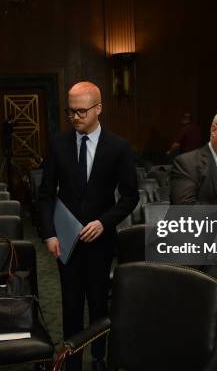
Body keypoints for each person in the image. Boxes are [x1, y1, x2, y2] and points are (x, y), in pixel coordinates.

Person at [38, 81, 139, 371]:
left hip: (101, 239)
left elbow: (130, 196)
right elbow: (45, 194)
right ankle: (71, 363)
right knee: (70, 306)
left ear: (98, 109)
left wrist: (104, 223)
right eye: (71, 112)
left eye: (82, 111)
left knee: (98, 304)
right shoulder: (58, 144)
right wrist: (48, 233)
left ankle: (98, 360)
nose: (75, 118)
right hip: (65, 240)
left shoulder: (118, 147)